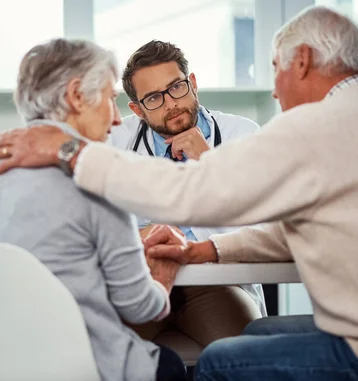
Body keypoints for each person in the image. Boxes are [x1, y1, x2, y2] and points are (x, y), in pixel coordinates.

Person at [0, 5, 358, 381]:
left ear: (301, 62)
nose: (276, 92)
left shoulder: (318, 125)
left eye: (277, 69)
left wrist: (69, 149)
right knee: (256, 339)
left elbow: (190, 193)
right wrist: (204, 249)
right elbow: (290, 229)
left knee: (221, 362)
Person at [0, 38, 187, 381]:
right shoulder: (95, 173)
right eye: (112, 100)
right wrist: (162, 275)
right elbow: (139, 307)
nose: (116, 120)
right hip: (75, 365)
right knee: (171, 364)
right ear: (76, 95)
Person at [108, 40, 266, 347]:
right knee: (100, 353)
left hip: (217, 284)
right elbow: (99, 226)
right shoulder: (115, 142)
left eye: (176, 88)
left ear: (192, 83)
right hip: (141, 284)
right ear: (137, 109)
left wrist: (210, 163)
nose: (171, 104)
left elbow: (261, 230)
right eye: (154, 98)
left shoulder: (245, 136)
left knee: (246, 355)